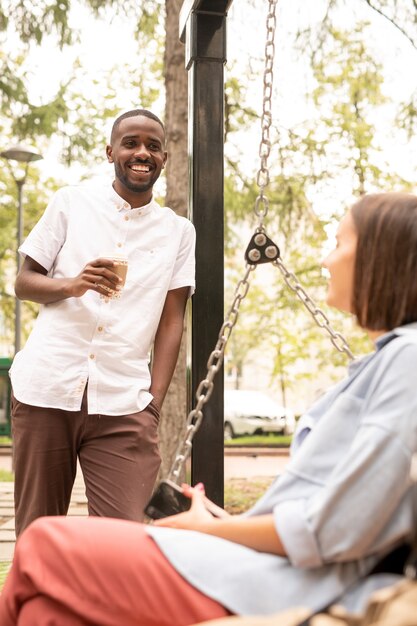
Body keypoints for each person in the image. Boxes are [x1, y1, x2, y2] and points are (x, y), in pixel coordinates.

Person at [1, 192, 417, 626]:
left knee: (45, 544)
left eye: (337, 243)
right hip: (263, 563)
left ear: (380, 257)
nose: (326, 260)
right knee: (45, 610)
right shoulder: (383, 362)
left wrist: (207, 529)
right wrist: (216, 517)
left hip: (286, 583)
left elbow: (330, 529)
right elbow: (340, 507)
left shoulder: (407, 360)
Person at [8, 108, 196, 537]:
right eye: (131, 143)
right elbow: (24, 282)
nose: (141, 152)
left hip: (125, 402)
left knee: (125, 539)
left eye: (152, 146)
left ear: (164, 157)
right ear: (111, 151)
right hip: (47, 389)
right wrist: (73, 285)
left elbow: (172, 322)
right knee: (39, 535)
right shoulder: (72, 203)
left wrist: (153, 403)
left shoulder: (178, 232)